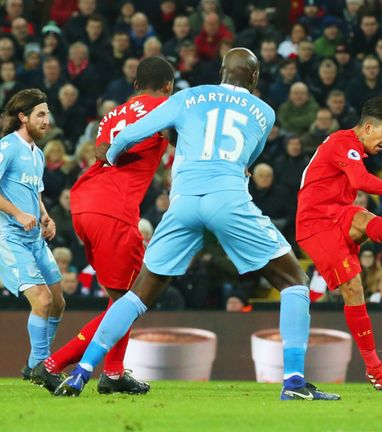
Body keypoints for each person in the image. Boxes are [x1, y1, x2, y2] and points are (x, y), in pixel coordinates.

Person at [54, 48, 339, 401]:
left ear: (221, 71)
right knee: (294, 281)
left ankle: (81, 373)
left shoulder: (187, 97)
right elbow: (249, 159)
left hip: (183, 202)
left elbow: (127, 137)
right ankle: (294, 383)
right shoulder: (265, 112)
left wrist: (110, 157)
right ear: (253, 78)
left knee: (137, 294)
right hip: (228, 198)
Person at [39, 57, 175, 396]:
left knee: (120, 298)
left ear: (134, 84)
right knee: (132, 298)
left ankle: (113, 373)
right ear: (169, 86)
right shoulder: (166, 107)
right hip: (114, 209)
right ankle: (53, 364)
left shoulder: (113, 114)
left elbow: (102, 151)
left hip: (84, 202)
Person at [296, 96, 382, 391]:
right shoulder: (344, 143)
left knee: (362, 215)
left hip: (337, 214)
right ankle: (374, 369)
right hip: (315, 226)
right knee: (354, 288)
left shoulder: (347, 145)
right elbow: (361, 181)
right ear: (367, 127)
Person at [0, 89, 64, 392]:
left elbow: (33, 193)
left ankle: (36, 365)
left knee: (58, 303)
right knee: (43, 300)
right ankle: (41, 365)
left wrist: (44, 215)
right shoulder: (7, 146)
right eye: (40, 114)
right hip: (7, 236)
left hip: (34, 236)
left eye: (47, 114)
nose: (46, 120)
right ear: (23, 117)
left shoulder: (37, 153)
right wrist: (17, 213)